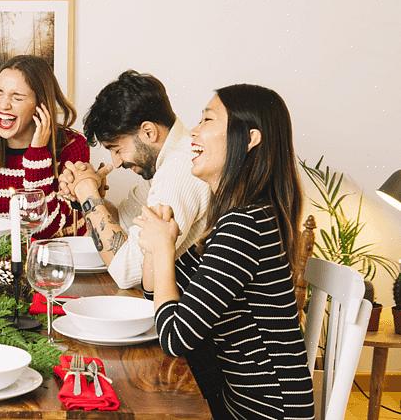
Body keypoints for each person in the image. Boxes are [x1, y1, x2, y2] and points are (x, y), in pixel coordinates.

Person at [134, 85, 315, 419]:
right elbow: (155, 297)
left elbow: (174, 338)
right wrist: (156, 244)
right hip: (239, 401)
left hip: (268, 411)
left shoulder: (245, 226)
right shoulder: (235, 218)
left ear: (249, 139)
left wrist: (163, 249)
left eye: (206, 119)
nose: (194, 131)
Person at [60, 70, 209, 288]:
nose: (116, 162)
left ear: (148, 132)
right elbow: (123, 223)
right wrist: (90, 196)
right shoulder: (167, 160)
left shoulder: (180, 168)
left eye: (117, 149)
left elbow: (127, 271)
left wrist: (87, 192)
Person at [0, 55, 89, 239]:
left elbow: (46, 230)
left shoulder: (73, 146)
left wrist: (38, 153)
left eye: (17, 97)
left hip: (60, 258)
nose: (3, 105)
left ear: (40, 105)